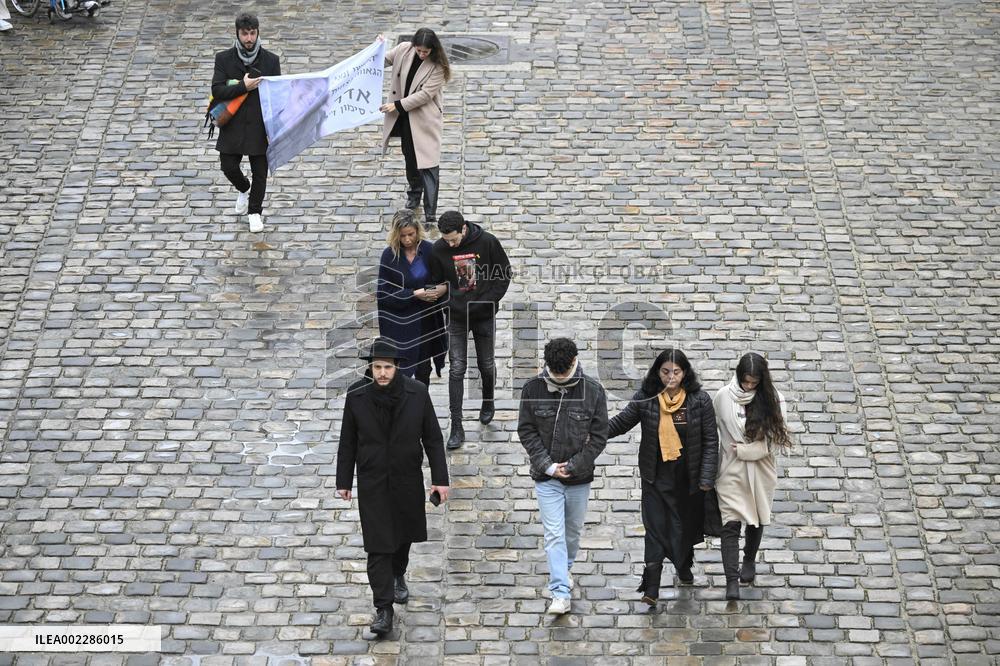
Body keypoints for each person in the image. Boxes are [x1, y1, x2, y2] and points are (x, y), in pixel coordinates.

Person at [336, 337, 450, 637]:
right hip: (372, 480)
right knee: (378, 546)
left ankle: (399, 572)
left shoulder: (417, 393)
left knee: (403, 536)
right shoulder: (357, 395)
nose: (382, 373)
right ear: (371, 368)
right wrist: (343, 480)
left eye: (387, 367)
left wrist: (440, 479)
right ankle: (383, 609)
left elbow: (433, 438)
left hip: (406, 477)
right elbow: (348, 440)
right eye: (377, 367)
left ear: (397, 367)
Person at [607, 349, 719, 606]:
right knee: (655, 529)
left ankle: (683, 565)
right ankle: (652, 588)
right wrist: (593, 431)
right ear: (657, 372)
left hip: (687, 479)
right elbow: (622, 422)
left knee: (682, 529)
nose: (671, 377)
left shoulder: (700, 400)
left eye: (676, 372)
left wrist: (706, 478)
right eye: (665, 372)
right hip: (655, 476)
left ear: (685, 373)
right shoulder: (646, 398)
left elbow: (711, 441)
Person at [517, 338, 608, 615]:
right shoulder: (532, 389)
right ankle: (559, 592)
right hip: (546, 478)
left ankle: (564, 570)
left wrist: (574, 465)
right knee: (554, 535)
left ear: (574, 362)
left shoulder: (593, 391)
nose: (559, 377)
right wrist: (548, 466)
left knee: (572, 533)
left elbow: (599, 437)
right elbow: (527, 430)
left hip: (579, 477)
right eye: (555, 373)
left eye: (564, 372)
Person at [427, 210, 511, 450]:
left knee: (486, 364)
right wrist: (447, 303)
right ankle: (457, 425)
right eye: (446, 240)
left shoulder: (488, 242)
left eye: (454, 239)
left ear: (463, 228)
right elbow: (436, 283)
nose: (450, 244)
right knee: (457, 368)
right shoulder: (438, 250)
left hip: (483, 315)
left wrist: (488, 302)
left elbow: (504, 274)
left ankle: (488, 400)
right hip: (456, 317)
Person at [714, 352, 791, 600]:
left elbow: (774, 441)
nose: (748, 386)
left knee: (756, 518)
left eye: (753, 383)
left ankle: (749, 559)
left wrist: (746, 450)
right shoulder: (723, 397)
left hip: (760, 468)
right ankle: (731, 580)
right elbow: (712, 430)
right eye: (745, 381)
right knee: (730, 522)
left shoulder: (774, 400)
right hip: (731, 468)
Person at [212, 12, 281, 233]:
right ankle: (243, 188)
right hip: (232, 122)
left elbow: (277, 95)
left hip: (260, 125)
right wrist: (244, 86)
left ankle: (254, 212)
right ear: (237, 34)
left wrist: (276, 126)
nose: (249, 38)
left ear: (258, 32)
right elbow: (217, 90)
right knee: (228, 166)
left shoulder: (271, 61)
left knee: (260, 172)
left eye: (252, 33)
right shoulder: (224, 59)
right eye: (245, 34)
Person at [379, 28, 450, 231]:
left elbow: (425, 95)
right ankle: (414, 194)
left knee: (428, 165)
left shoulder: (438, 66)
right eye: (419, 50)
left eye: (426, 51)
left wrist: (397, 105)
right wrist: (378, 48)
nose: (422, 54)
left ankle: (430, 213)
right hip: (405, 117)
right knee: (410, 157)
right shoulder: (404, 49)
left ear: (433, 49)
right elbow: (382, 61)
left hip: (424, 119)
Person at [376, 209, 448, 386]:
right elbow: (384, 293)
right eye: (403, 236)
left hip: (426, 321)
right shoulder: (389, 256)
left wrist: (441, 289)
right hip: (400, 324)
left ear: (417, 231)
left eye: (411, 234)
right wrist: (414, 294)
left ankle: (422, 401)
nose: (407, 239)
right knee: (401, 372)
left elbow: (445, 279)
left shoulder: (429, 250)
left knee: (423, 369)